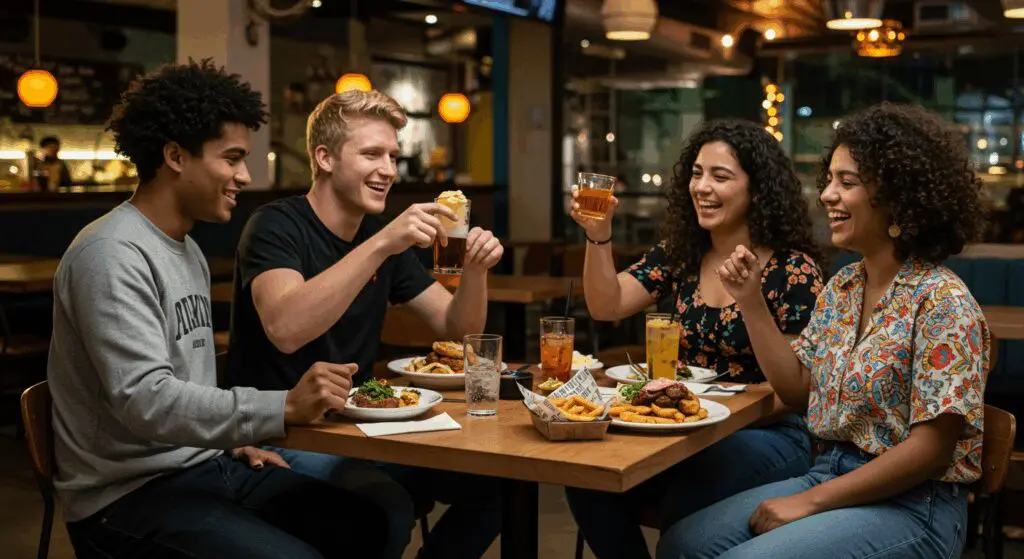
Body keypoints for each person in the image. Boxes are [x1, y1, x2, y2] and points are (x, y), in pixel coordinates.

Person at [48, 59, 389, 559]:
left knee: (369, 524)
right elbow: (147, 402)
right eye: (231, 159)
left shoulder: (186, 250)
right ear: (175, 156)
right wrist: (281, 407)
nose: (244, 176)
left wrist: (228, 440)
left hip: (201, 466)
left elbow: (189, 384)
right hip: (123, 497)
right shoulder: (110, 254)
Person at [660, 103, 989, 559]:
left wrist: (811, 501)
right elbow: (798, 390)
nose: (827, 195)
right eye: (829, 180)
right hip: (832, 471)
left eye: (847, 182)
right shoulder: (844, 287)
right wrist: (750, 299)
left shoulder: (943, 301)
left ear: (898, 198)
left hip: (917, 504)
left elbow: (930, 451)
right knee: (681, 544)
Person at [225, 90, 504, 559]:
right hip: (285, 433)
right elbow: (286, 328)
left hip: (363, 426)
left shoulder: (379, 236)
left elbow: (456, 328)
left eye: (393, 155)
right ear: (325, 158)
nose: (388, 169)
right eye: (372, 154)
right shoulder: (276, 225)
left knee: (497, 484)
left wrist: (475, 271)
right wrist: (381, 246)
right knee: (386, 507)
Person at [566, 119, 825, 559]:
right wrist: (598, 235)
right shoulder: (683, 254)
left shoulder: (793, 270)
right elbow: (607, 305)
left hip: (768, 434)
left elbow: (797, 390)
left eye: (720, 176)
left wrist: (716, 413)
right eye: (697, 173)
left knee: (693, 486)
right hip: (689, 428)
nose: (702, 187)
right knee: (587, 476)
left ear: (757, 190)